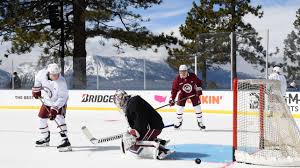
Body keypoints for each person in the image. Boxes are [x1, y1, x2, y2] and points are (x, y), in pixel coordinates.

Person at [113, 89, 173, 160]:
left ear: (124, 98)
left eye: (119, 100)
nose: (119, 102)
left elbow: (140, 119)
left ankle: (162, 151)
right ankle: (157, 141)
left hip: (152, 127)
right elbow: (137, 118)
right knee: (136, 138)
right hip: (151, 125)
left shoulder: (133, 104)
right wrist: (133, 130)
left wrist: (136, 132)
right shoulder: (132, 103)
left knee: (137, 142)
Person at [32, 63, 71, 152]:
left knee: (59, 118)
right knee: (41, 119)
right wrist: (36, 89)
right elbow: (37, 80)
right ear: (49, 73)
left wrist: (55, 109)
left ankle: (65, 140)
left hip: (59, 103)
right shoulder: (41, 74)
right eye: (54, 75)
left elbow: (63, 98)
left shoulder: (61, 82)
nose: (56, 76)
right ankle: (46, 139)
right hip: (47, 101)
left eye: (57, 74)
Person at [169, 64, 205, 130]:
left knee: (198, 108)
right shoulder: (177, 80)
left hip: (193, 93)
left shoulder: (193, 76)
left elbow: (199, 82)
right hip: (183, 94)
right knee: (179, 109)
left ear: (187, 71)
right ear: (179, 72)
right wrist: (172, 99)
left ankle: (200, 122)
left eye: (184, 71)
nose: (183, 73)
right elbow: (174, 90)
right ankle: (179, 122)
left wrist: (199, 89)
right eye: (181, 72)